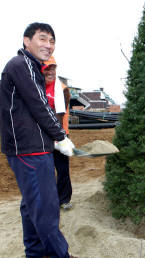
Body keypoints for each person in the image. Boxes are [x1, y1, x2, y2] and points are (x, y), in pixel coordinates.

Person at [0, 22, 76, 257]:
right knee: (45, 207)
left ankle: (34, 252)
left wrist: (51, 138)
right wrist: (60, 136)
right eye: (42, 39)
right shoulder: (20, 65)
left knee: (32, 204)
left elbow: (31, 110)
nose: (49, 45)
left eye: (52, 41)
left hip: (33, 145)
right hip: (29, 149)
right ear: (26, 40)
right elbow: (39, 105)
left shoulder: (33, 67)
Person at [43, 56, 73, 210]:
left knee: (62, 169)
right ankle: (49, 200)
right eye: (47, 68)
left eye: (53, 68)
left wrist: (59, 137)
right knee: (45, 169)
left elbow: (59, 115)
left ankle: (64, 199)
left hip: (60, 133)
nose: (50, 71)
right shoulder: (37, 86)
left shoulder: (62, 89)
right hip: (41, 135)